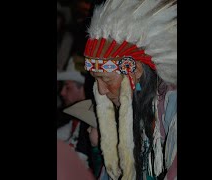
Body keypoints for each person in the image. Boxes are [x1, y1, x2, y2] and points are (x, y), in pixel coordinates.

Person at [83, 0, 177, 179]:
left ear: (135, 72)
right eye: (96, 80)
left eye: (106, 79)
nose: (101, 91)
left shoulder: (171, 106)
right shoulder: (131, 111)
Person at [57, 57, 92, 168]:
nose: (62, 93)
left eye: (67, 87)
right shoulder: (72, 120)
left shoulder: (90, 122)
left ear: (82, 89)